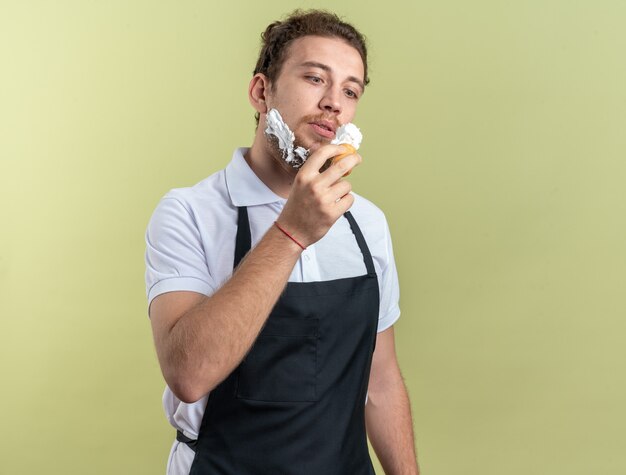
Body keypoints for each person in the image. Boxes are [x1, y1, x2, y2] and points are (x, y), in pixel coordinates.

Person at [145, 9, 419, 475]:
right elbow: (188, 375)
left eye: (350, 90)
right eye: (315, 78)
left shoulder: (367, 223)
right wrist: (292, 232)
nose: (334, 102)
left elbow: (382, 380)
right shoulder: (189, 212)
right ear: (261, 92)